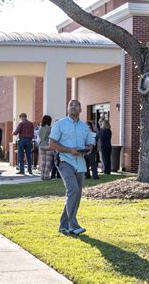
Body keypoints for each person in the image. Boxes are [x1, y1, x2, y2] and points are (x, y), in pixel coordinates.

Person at [49, 99, 95, 235]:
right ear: (67, 109)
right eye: (71, 105)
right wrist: (69, 150)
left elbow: (90, 141)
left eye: (77, 105)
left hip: (80, 163)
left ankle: (63, 225)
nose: (74, 107)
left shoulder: (84, 127)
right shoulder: (60, 124)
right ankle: (73, 225)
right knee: (73, 190)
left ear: (81, 110)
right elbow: (52, 143)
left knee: (75, 194)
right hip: (65, 161)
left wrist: (89, 147)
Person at [38, 115, 53, 180]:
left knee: (43, 161)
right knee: (48, 162)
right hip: (48, 145)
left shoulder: (40, 128)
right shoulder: (50, 128)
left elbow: (39, 136)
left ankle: (42, 176)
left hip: (41, 145)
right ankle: (46, 176)